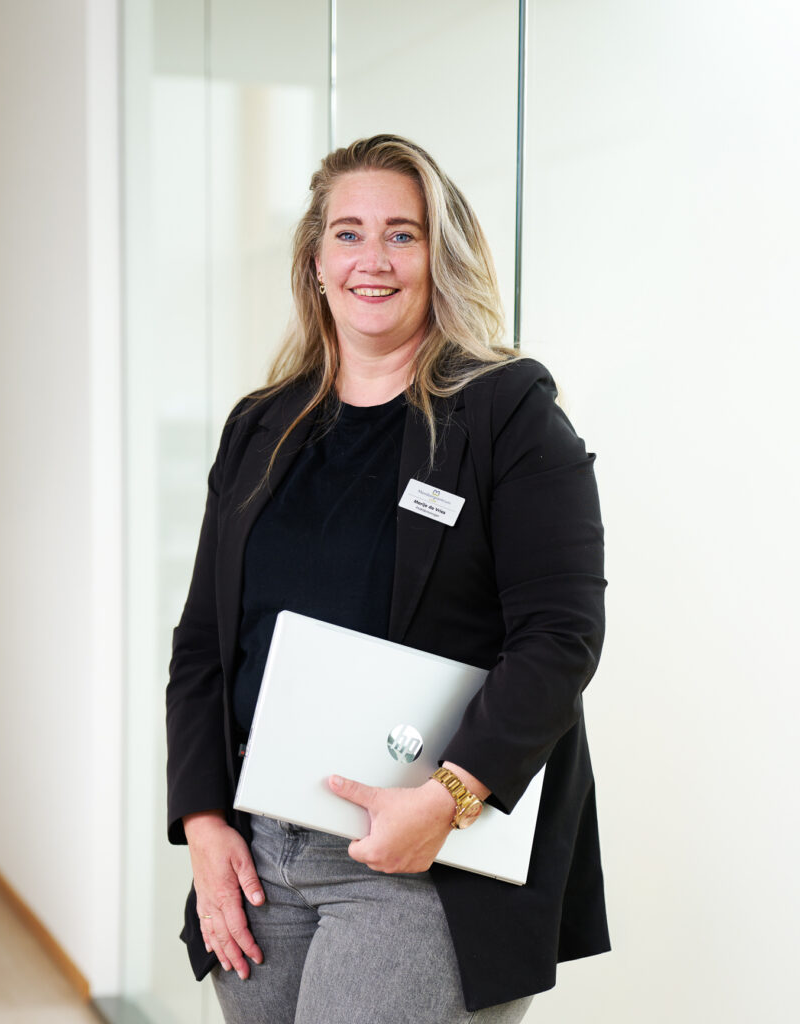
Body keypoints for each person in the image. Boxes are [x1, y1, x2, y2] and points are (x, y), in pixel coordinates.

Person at [166, 134, 609, 1024]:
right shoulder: (260, 426)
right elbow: (205, 642)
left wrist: (447, 800)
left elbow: (559, 637)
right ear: (315, 261)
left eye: (402, 235)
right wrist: (203, 823)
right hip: (259, 853)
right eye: (349, 234)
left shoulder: (507, 413)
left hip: (423, 856)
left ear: (438, 257)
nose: (373, 259)